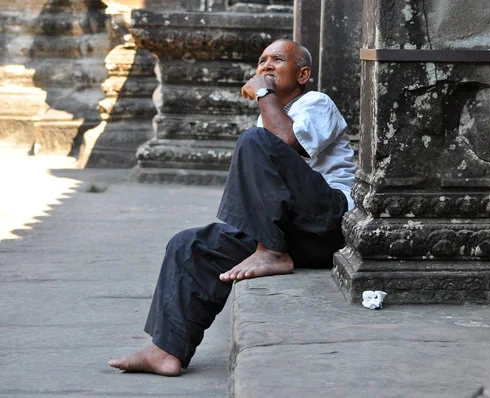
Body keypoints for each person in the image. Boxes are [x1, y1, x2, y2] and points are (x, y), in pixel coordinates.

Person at [108, 39, 356, 376]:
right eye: (262, 60)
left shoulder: (316, 103)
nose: (265, 66)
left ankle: (270, 251)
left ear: (303, 74)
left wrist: (263, 94)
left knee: (253, 141)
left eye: (277, 60)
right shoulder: (267, 122)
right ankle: (166, 350)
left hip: (330, 222)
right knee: (189, 244)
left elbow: (287, 143)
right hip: (291, 232)